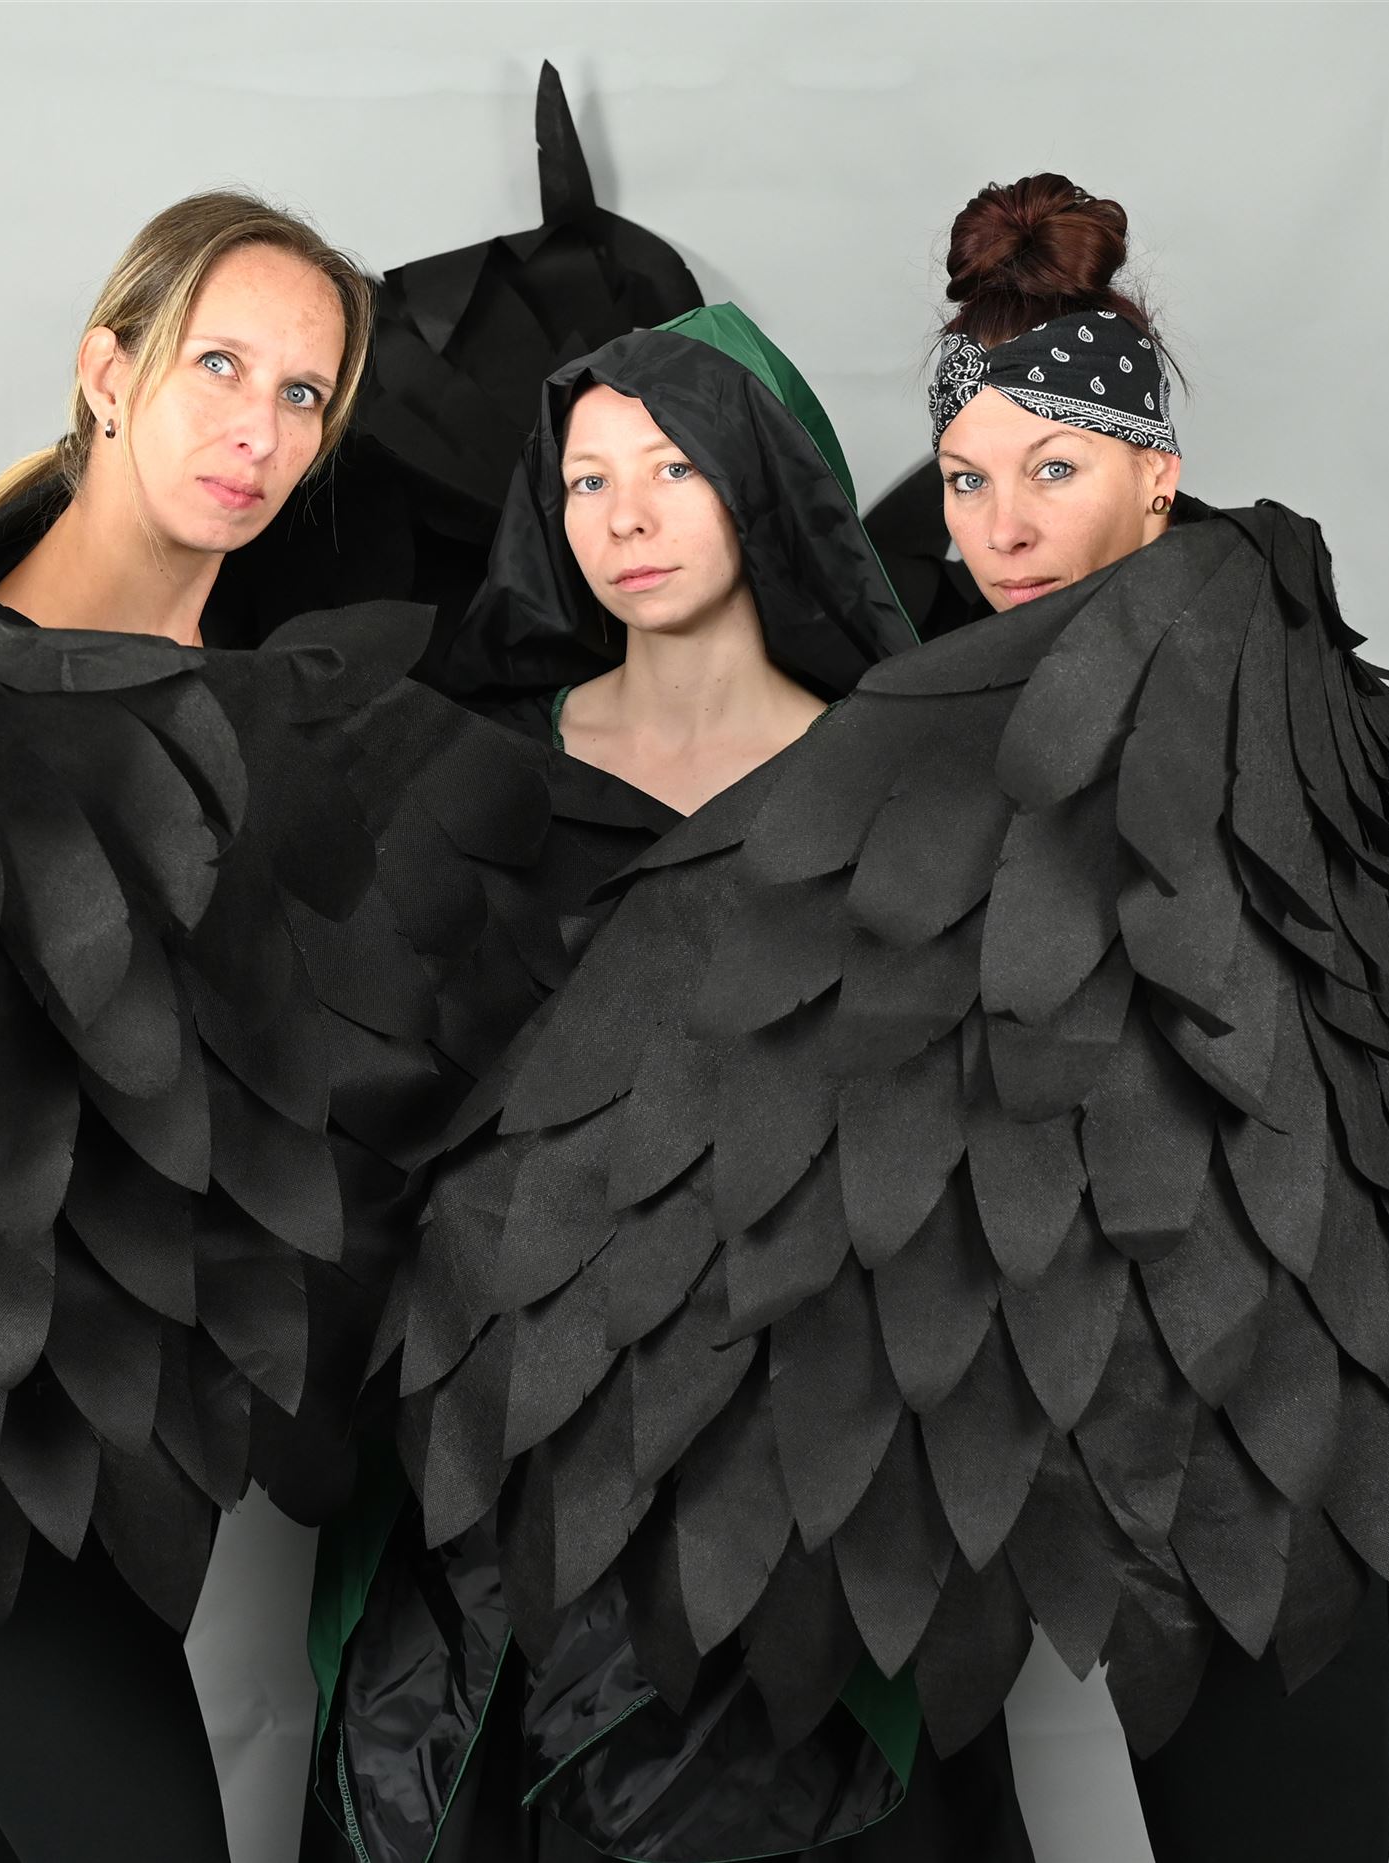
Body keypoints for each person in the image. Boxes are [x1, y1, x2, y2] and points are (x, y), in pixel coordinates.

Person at [380, 182, 1389, 1863]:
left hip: (1297, 1415)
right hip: (1174, 1426)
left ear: (1155, 471)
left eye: (1055, 470)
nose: (1005, 526)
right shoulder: (1046, 701)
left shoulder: (1208, 677)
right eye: (969, 481)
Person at [0, 188, 662, 1863]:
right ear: (109, 370)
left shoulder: (287, 730)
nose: (257, 429)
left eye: (303, 394)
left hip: (153, 1452)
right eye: (219, 365)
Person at [317, 305, 1038, 1863]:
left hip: (800, 1432)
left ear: (760, 482)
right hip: (512, 1431)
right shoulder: (465, 769)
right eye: (586, 482)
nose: (625, 518)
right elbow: (388, 1107)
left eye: (672, 469)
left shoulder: (894, 776)